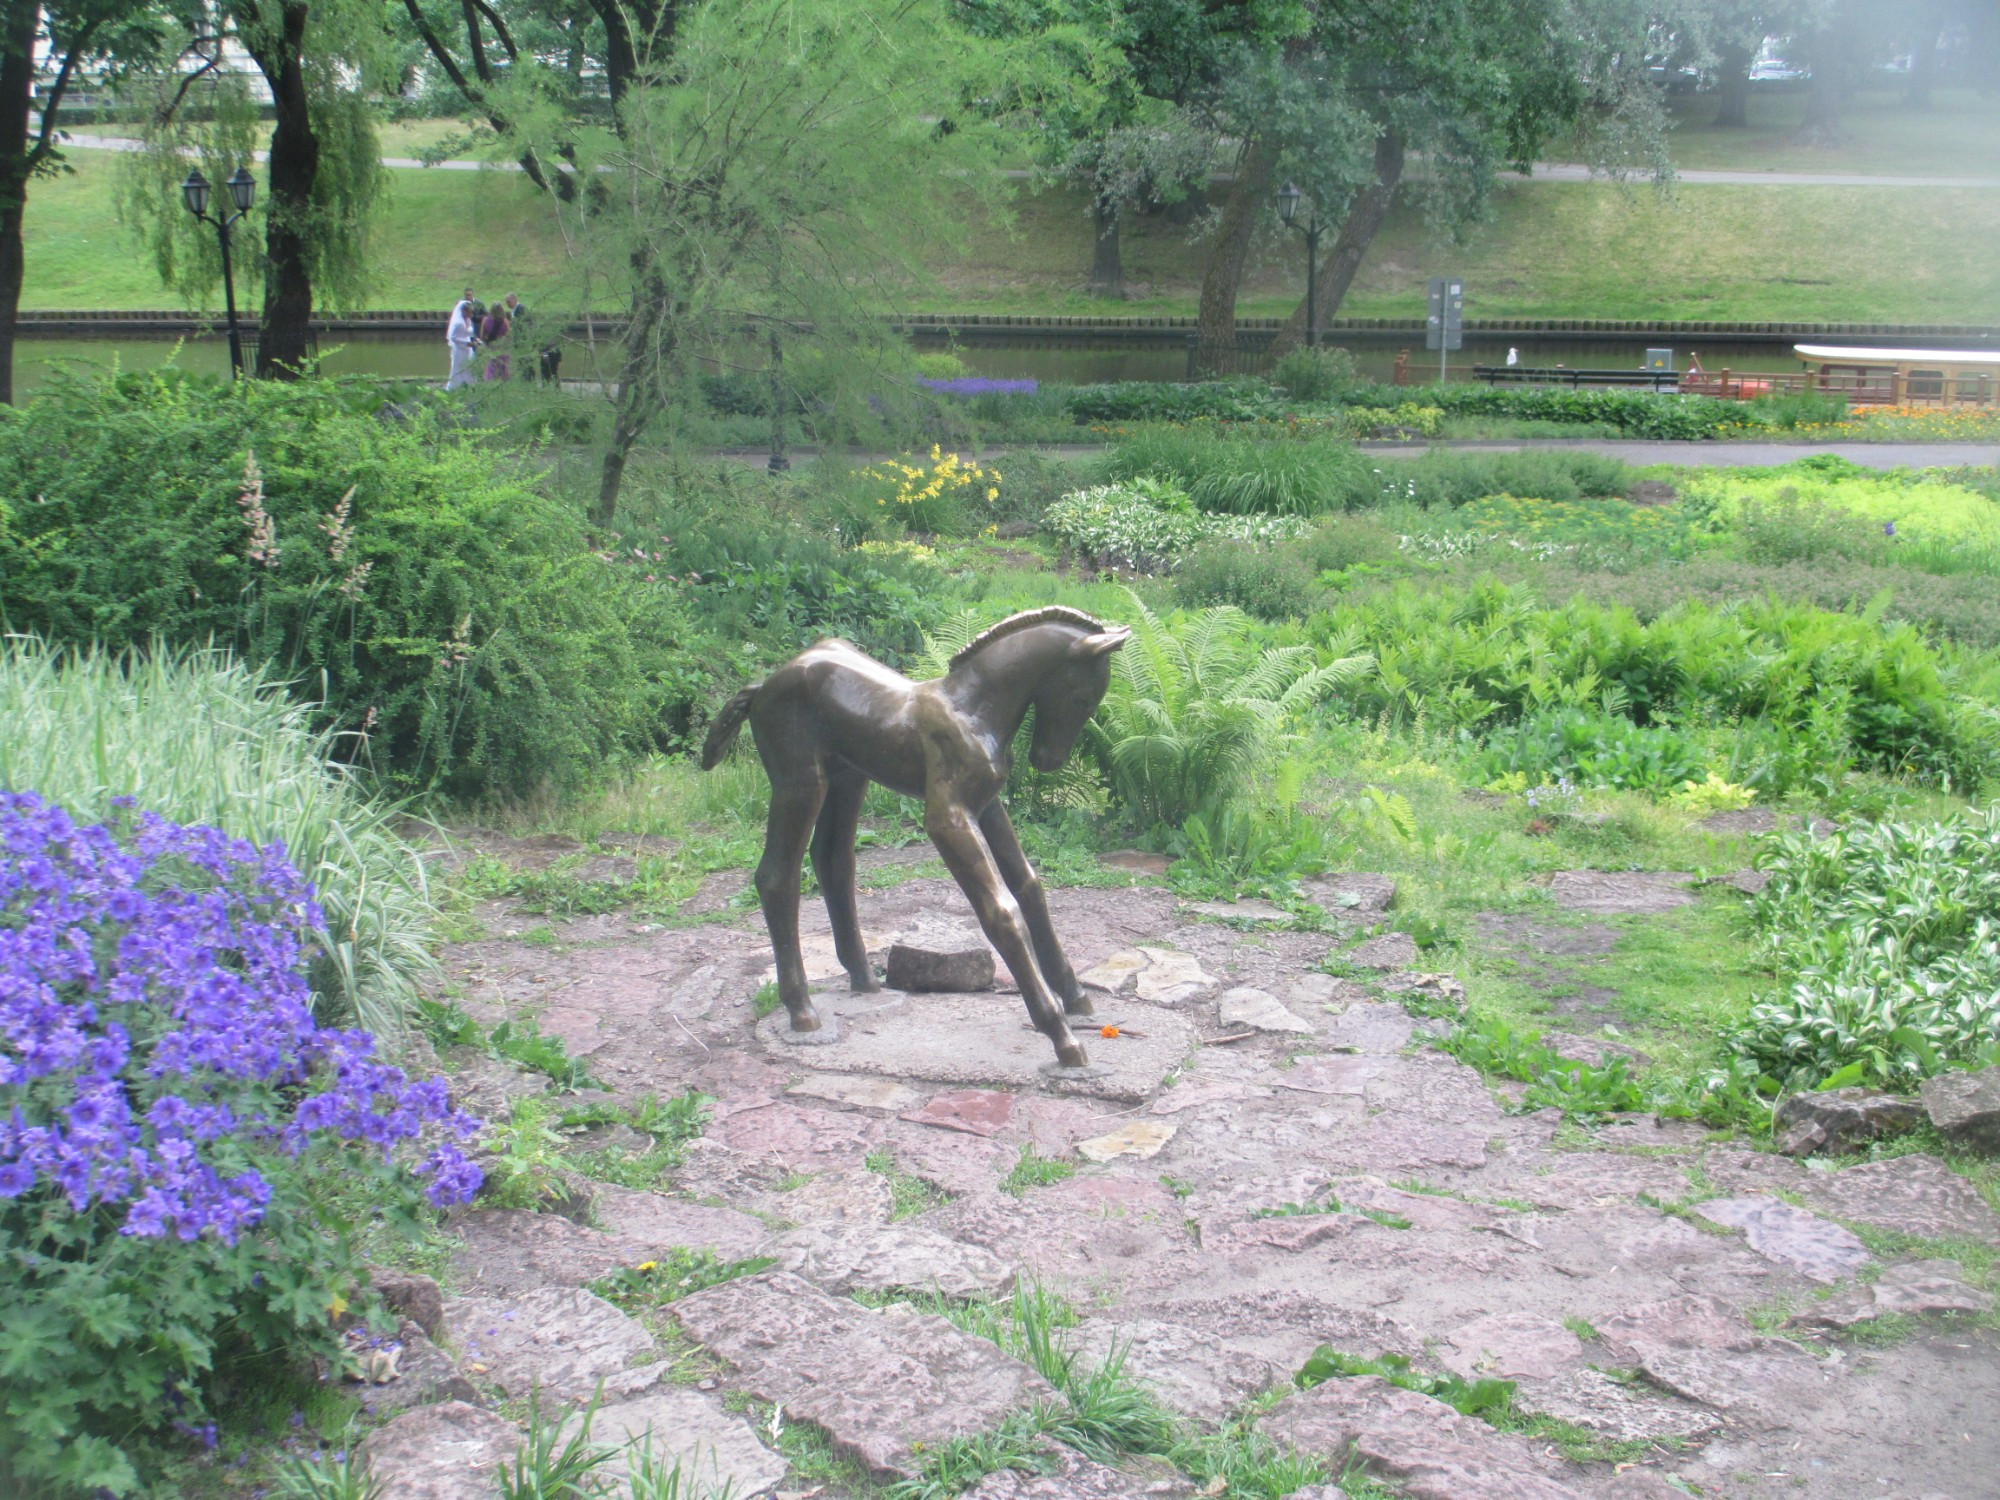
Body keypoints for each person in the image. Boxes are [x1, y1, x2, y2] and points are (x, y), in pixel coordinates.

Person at [445, 288, 478, 390]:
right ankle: (455, 386)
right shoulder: (457, 323)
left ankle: (470, 385)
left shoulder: (467, 320)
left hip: (468, 349)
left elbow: (470, 333)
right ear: (464, 311)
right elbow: (453, 338)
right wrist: (467, 343)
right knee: (458, 368)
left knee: (468, 368)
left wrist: (475, 340)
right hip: (460, 349)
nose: (471, 315)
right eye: (469, 313)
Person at [481, 299, 511, 381]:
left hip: (491, 348)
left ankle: (490, 384)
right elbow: (509, 336)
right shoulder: (505, 322)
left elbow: (482, 336)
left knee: (491, 367)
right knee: (504, 368)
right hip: (503, 348)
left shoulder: (486, 320)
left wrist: (487, 343)